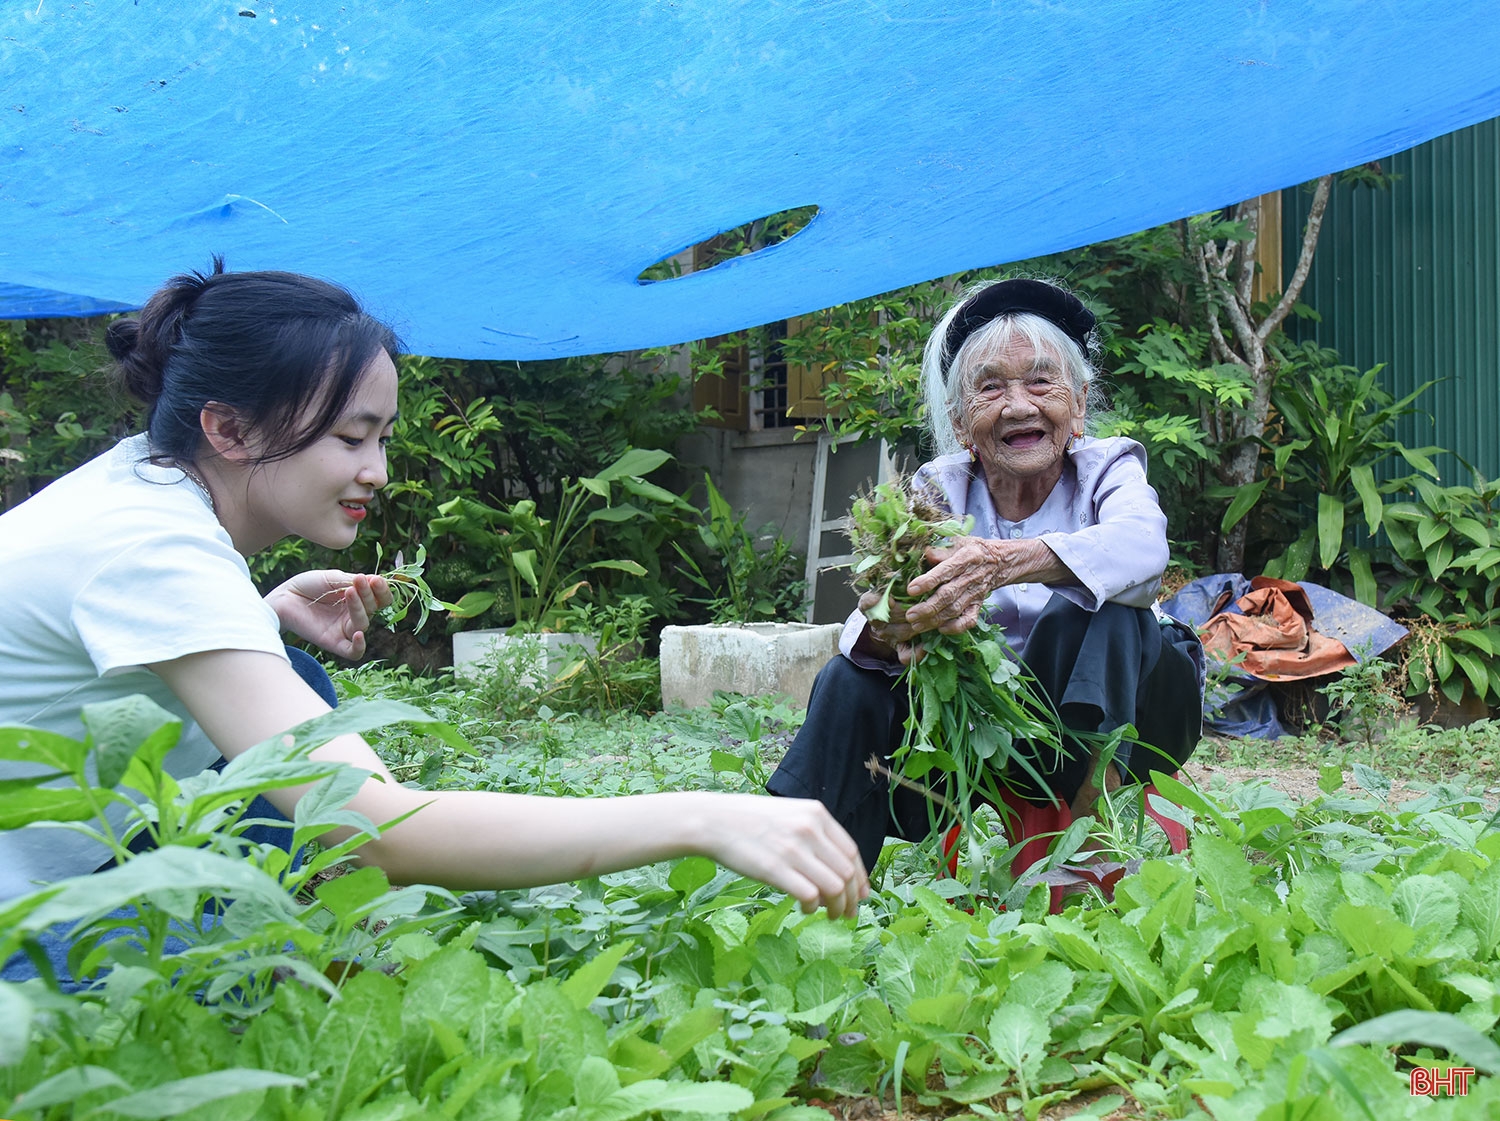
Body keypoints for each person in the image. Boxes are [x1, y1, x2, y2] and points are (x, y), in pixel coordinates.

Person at [0, 260, 867, 923]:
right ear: (226, 427)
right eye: (351, 436)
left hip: (67, 879)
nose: (375, 471)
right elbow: (377, 825)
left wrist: (257, 621)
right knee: (314, 749)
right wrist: (699, 816)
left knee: (299, 688)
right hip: (34, 937)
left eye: (382, 436)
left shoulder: (137, 492)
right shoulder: (152, 546)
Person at [767, 278, 1203, 873]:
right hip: (993, 732)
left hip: (1132, 710)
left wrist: (1000, 563)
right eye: (991, 387)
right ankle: (808, 876)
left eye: (1041, 381)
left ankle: (1090, 852)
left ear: (1077, 404)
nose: (1019, 405)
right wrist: (892, 621)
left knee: (1101, 614)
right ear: (961, 420)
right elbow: (865, 631)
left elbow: (1144, 549)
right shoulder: (938, 489)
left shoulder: (1108, 468)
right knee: (850, 679)